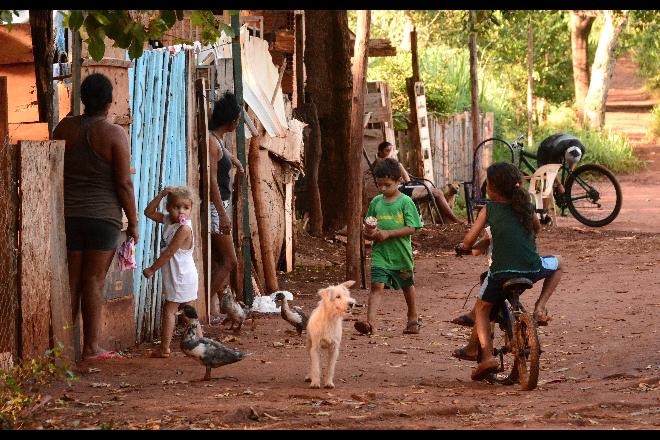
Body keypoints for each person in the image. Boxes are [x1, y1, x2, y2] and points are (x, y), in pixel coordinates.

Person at [53, 73, 138, 361]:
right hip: (103, 219)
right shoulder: (114, 134)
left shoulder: (64, 129)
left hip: (70, 216)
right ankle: (90, 347)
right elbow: (124, 184)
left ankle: (63, 348)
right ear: (110, 101)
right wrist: (134, 222)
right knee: (93, 281)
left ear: (82, 99)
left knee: (72, 282)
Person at [454, 162, 562, 381]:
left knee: (482, 309)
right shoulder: (526, 204)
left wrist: (463, 248)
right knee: (559, 263)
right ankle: (539, 308)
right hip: (533, 268)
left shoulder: (489, 209)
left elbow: (468, 240)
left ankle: (485, 356)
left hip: (501, 273)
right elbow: (537, 228)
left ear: (492, 188)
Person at [354, 158, 424, 336]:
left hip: (401, 255)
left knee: (407, 285)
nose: (383, 189)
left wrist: (388, 234)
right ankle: (370, 323)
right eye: (380, 185)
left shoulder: (405, 202)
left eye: (388, 185)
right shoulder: (376, 202)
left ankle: (413, 318)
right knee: (376, 285)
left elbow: (413, 227)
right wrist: (369, 233)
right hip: (380, 254)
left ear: (399, 181)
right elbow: (368, 226)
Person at [143, 186, 202, 357]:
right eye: (176, 207)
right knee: (190, 313)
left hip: (181, 276)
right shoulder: (168, 220)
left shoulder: (184, 229)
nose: (181, 211)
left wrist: (152, 269)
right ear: (169, 207)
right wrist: (161, 194)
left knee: (170, 309)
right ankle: (201, 345)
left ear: (191, 209)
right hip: (181, 274)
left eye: (186, 207)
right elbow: (148, 212)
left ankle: (164, 348)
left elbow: (169, 253)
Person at [207, 92, 247, 322]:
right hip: (216, 207)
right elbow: (212, 180)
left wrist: (233, 159)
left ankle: (211, 309)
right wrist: (222, 215)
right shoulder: (214, 142)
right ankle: (202, 307)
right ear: (232, 121)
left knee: (218, 261)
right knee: (230, 261)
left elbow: (222, 152)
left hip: (220, 204)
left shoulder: (217, 139)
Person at [373, 141, 461, 223]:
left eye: (392, 150)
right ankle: (454, 220)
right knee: (437, 193)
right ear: (380, 152)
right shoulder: (382, 164)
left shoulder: (390, 163)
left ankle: (444, 220)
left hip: (405, 187)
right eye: (387, 151)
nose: (391, 153)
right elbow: (406, 181)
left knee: (436, 192)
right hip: (401, 190)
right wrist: (398, 168)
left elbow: (406, 180)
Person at [536, 133, 585, 222]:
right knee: (548, 179)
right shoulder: (557, 150)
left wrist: (567, 180)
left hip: (562, 144)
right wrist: (559, 184)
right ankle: (543, 214)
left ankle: (542, 216)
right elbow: (551, 169)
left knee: (548, 183)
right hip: (546, 148)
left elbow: (573, 163)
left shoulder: (581, 149)